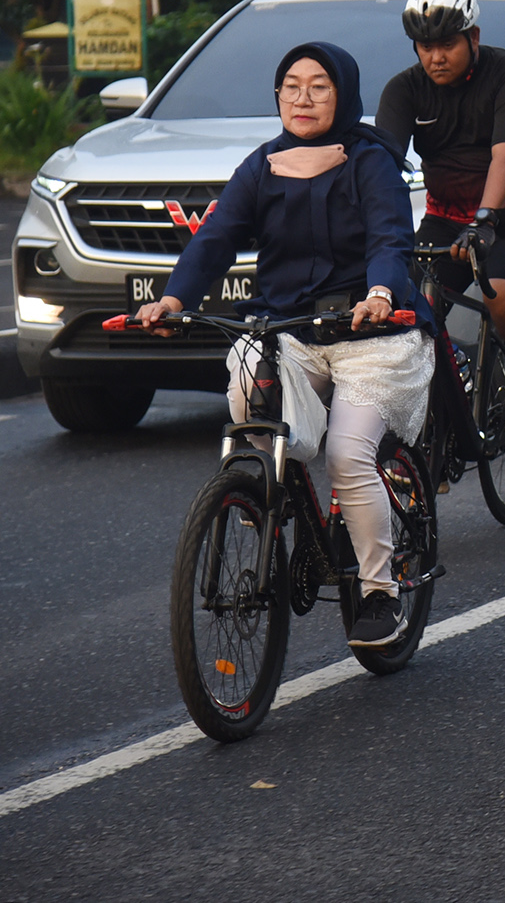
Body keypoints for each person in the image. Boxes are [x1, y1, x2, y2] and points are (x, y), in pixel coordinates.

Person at [137, 43, 433, 648]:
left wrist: (380, 290)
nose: (302, 99)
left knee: (350, 457)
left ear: (343, 95)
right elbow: (215, 240)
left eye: (318, 87)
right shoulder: (263, 165)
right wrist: (174, 299)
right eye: (290, 86)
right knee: (250, 400)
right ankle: (281, 505)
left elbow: (390, 239)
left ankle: (379, 590)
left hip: (370, 334)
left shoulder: (370, 162)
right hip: (287, 331)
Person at [376, 0, 505, 433]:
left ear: (473, 37)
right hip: (444, 216)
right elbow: (381, 163)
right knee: (404, 314)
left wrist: (485, 221)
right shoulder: (404, 90)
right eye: (424, 46)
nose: (436, 57)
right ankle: (429, 435)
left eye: (448, 44)